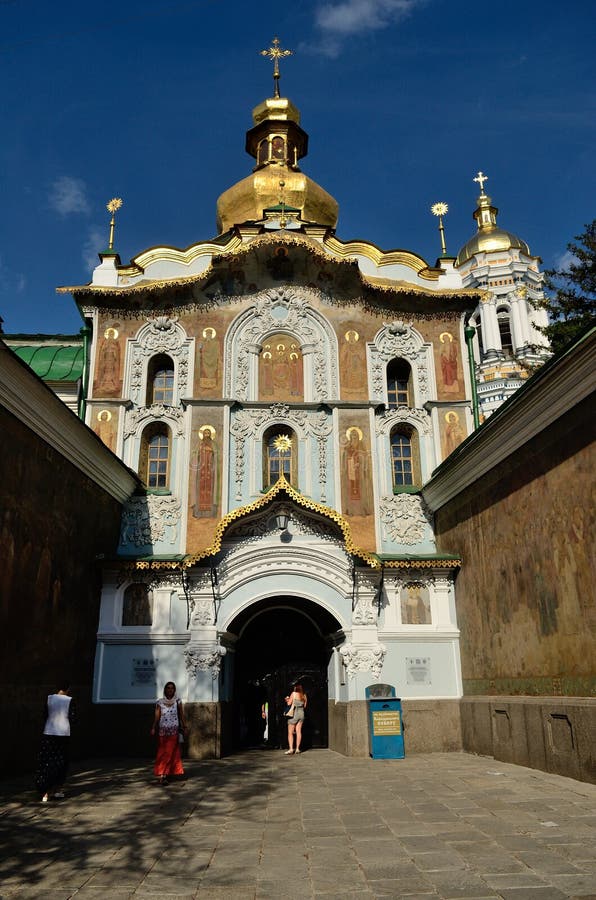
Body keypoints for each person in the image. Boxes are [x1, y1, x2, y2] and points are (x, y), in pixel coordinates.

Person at [35, 680, 74, 803]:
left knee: (47, 761)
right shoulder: (69, 700)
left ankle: (45, 792)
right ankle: (57, 790)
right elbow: (72, 717)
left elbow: (44, 715)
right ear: (68, 689)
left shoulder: (49, 698)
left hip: (49, 732)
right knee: (61, 761)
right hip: (63, 733)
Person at [150, 681, 187, 784]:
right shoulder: (160, 702)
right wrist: (153, 727)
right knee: (163, 752)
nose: (170, 690)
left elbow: (181, 714)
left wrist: (185, 726)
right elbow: (157, 715)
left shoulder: (177, 701)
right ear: (165, 690)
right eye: (168, 688)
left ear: (174, 690)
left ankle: (164, 774)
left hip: (174, 730)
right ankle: (163, 773)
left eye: (172, 688)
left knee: (171, 753)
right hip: (163, 730)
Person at [285, 682, 307, 755]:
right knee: (298, 731)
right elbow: (305, 706)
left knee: (290, 732)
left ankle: (291, 749)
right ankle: (297, 749)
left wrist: (287, 700)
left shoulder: (293, 694)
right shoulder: (304, 695)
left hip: (294, 713)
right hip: (301, 713)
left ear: (295, 687)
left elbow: (289, 704)